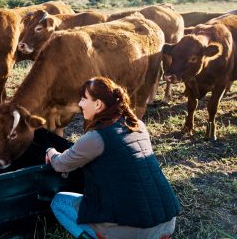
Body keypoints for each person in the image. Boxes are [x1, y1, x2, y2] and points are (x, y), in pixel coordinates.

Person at [45, 77, 180, 239]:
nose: (80, 104)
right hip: (166, 222)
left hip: (134, 230)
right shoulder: (138, 125)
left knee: (59, 203)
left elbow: (60, 164)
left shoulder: (96, 137)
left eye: (83, 99)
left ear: (98, 104)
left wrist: (51, 152)